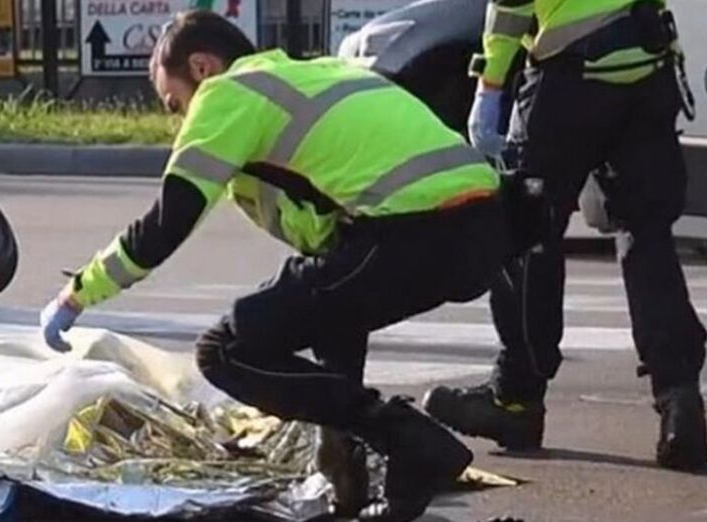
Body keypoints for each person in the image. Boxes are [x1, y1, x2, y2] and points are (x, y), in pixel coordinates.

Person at [40, 10, 507, 521]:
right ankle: (370, 482)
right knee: (329, 308)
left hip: (413, 229)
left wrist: (77, 294)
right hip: (479, 229)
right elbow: (329, 246)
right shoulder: (313, 73)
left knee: (227, 350)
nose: (180, 123)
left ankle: (409, 439)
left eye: (175, 104)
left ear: (201, 67)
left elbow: (166, 224)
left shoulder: (228, 94)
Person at [424, 0, 707, 470]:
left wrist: (490, 83)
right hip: (647, 62)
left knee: (527, 231)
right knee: (647, 236)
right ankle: (680, 400)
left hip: (571, 76)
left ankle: (516, 399)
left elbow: (512, 4)